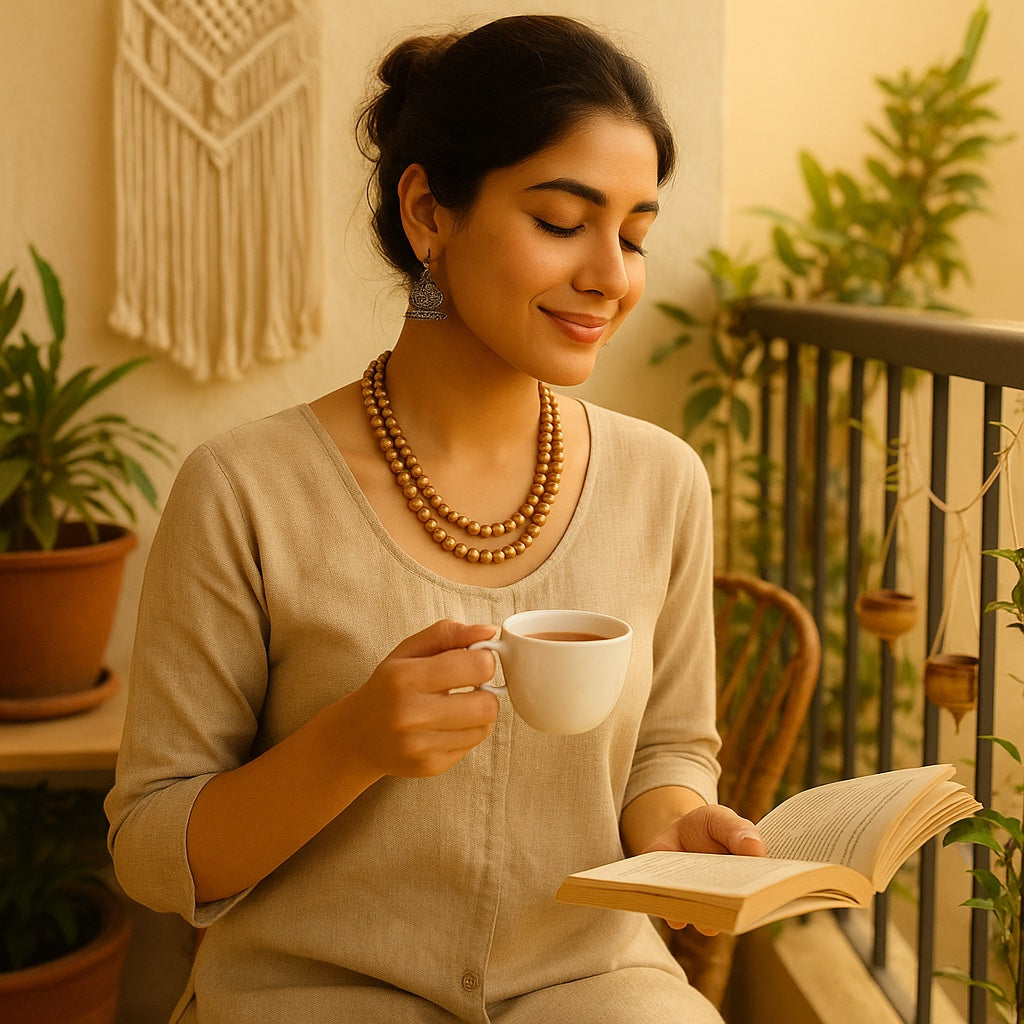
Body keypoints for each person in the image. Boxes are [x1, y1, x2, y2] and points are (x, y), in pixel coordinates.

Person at [105, 14, 765, 1023]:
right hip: (312, 988)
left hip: (589, 980)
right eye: (561, 221)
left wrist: (676, 827)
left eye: (634, 234)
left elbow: (670, 748)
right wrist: (351, 743)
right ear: (427, 212)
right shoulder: (243, 489)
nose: (611, 275)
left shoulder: (663, 481)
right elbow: (153, 850)